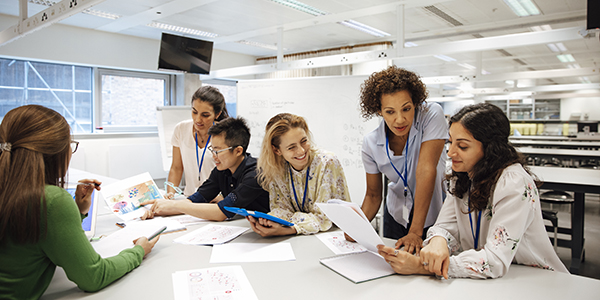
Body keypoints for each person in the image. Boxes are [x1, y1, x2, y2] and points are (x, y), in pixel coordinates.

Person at [377, 103, 569, 279]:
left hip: (534, 280)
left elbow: (494, 261)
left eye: (462, 146)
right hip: (486, 281)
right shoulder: (463, 176)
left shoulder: (513, 183)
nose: (451, 153)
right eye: (450, 142)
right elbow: (445, 226)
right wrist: (438, 240)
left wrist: (422, 265)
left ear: (490, 149)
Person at [0, 105, 158, 299]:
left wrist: (78, 210)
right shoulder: (50, 200)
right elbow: (94, 276)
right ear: (56, 153)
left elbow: (33, 236)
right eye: (71, 144)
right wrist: (138, 251)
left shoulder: (11, 189)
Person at [357, 66, 447, 254]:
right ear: (379, 110)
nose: (400, 120)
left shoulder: (431, 115)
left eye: (406, 109)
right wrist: (356, 228)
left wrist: (415, 231)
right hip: (396, 215)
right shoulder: (371, 143)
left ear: (415, 103)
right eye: (390, 112)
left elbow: (426, 169)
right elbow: (373, 195)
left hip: (432, 213)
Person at [142, 117, 269, 221]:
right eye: (212, 149)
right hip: (245, 226)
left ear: (238, 151)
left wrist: (174, 205)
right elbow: (196, 199)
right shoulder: (222, 170)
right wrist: (158, 209)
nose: (214, 156)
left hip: (271, 234)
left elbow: (221, 212)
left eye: (218, 151)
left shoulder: (255, 173)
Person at [248, 113, 351, 237]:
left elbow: (324, 218)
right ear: (277, 150)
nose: (301, 151)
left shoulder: (327, 162)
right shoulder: (277, 168)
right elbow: (282, 209)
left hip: (332, 236)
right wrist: (269, 220)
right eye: (291, 147)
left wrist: (289, 229)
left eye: (304, 141)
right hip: (299, 237)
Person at [165, 86, 229, 199]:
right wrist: (171, 194)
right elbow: (176, 168)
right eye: (194, 112)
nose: (198, 120)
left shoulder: (225, 135)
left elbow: (229, 173)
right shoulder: (181, 129)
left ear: (217, 114)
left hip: (215, 200)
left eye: (205, 115)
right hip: (189, 198)